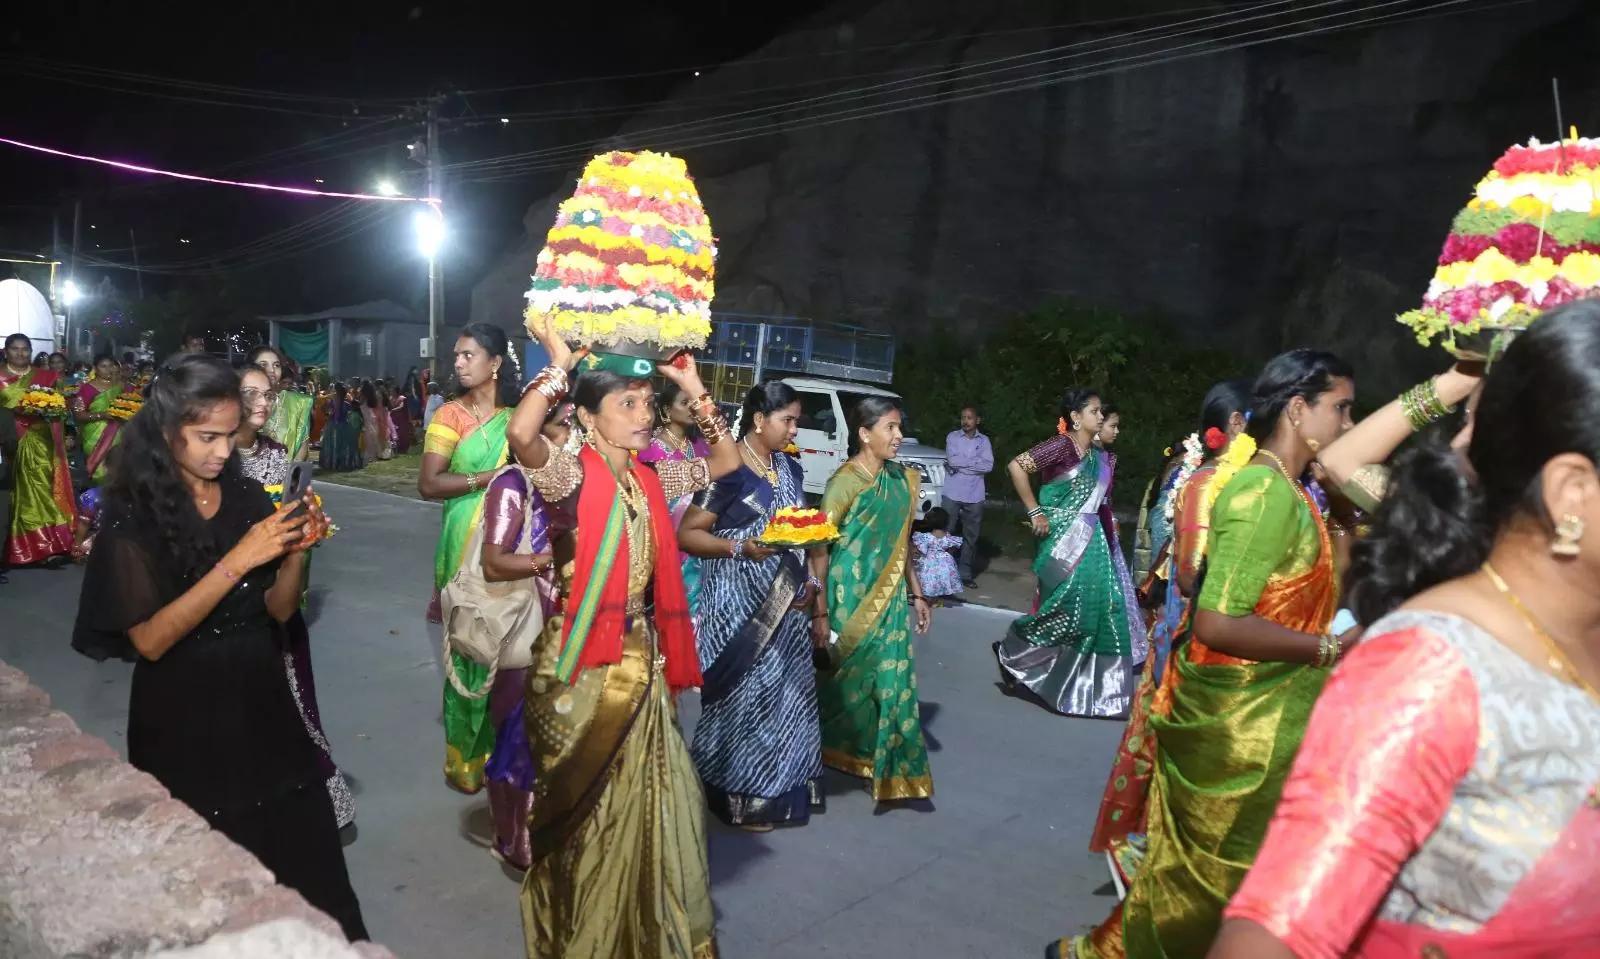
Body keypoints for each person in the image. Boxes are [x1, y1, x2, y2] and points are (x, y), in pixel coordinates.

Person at [1213, 303, 1600, 958]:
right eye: (1468, 419)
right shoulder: (1433, 665)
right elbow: (1340, 464)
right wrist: (1453, 380)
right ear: (1572, 492)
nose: (1461, 439)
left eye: (1481, 419)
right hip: (1268, 705)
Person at [1058, 350, 1358, 959]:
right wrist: (1327, 649)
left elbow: (1322, 594)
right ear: (1299, 411)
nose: (1350, 424)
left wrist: (1346, 518)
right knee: (1209, 890)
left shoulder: (1296, 492)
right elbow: (1218, 621)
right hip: (1241, 731)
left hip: (1273, 719)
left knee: (1218, 889)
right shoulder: (1261, 493)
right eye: (1342, 409)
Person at [68, 354, 366, 941]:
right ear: (165, 430)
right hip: (184, 712)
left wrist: (298, 545)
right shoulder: (133, 518)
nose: (223, 451)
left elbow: (279, 609)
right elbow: (150, 641)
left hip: (262, 699)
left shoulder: (248, 498)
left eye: (231, 436)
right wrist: (241, 559)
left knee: (305, 862)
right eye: (206, 436)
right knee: (208, 879)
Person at [504, 317, 740, 959]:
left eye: (646, 404)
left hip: (642, 661)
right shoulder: (569, 477)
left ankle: (645, 927)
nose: (644, 416)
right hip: (582, 666)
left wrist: (694, 388)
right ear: (586, 416)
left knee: (660, 804)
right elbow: (520, 432)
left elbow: (725, 462)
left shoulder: (649, 479)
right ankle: (585, 935)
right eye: (627, 404)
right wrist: (557, 365)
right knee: (591, 815)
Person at [1085, 380, 1251, 907]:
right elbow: (1187, 571)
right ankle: (1149, 852)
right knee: (1182, 747)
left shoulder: (1252, 481)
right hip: (1192, 635)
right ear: (1238, 427)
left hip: (1214, 637)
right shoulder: (1202, 481)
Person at [679, 380, 823, 831]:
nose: (794, 430)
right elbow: (689, 534)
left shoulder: (790, 468)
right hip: (738, 607)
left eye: (796, 420)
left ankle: (780, 789)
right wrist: (740, 549)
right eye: (788, 420)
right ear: (760, 420)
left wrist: (814, 584)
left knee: (788, 700)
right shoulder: (729, 470)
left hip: (788, 604)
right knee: (747, 699)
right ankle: (737, 795)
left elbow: (808, 530)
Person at [234, 366, 355, 830]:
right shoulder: (216, 462)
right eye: (252, 393)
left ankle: (307, 796)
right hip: (231, 597)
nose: (265, 403)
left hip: (275, 592)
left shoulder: (279, 456)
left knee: (291, 703)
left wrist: (303, 530)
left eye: (270, 394)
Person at [811, 395, 935, 804]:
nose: (899, 437)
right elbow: (820, 548)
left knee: (891, 681)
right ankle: (841, 753)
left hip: (889, 598)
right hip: (848, 601)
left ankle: (891, 766)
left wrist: (918, 594)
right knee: (846, 686)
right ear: (865, 435)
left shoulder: (903, 480)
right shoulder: (844, 482)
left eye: (899, 428)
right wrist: (821, 611)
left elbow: (904, 543)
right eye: (890, 429)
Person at [995, 387, 1145, 719]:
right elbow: (1017, 466)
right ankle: (1016, 649)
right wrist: (1035, 511)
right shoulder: (1061, 445)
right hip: (1062, 535)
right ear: (1076, 417)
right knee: (1068, 604)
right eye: (1094, 411)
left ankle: (1091, 686)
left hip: (1093, 540)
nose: (1101, 417)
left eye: (1101, 412)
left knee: (1102, 606)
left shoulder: (1097, 456)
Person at [417, 324, 521, 792]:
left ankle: (503, 752)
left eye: (468, 355)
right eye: (456, 356)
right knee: (467, 647)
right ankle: (465, 760)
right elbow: (429, 484)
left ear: (494, 363)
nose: (457, 363)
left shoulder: (517, 419)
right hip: (461, 543)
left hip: (507, 542)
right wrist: (492, 477)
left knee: (508, 648)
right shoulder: (449, 416)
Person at [473, 407, 565, 871]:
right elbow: (494, 562)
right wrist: (551, 559)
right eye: (564, 424)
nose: (573, 436)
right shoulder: (513, 484)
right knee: (518, 735)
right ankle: (515, 838)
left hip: (563, 624)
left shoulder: (570, 482)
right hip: (522, 625)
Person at [1, 333, 76, 567]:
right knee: (13, 494)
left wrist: (68, 433)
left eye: (25, 349)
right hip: (9, 442)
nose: (20, 353)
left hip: (42, 440)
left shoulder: (46, 376)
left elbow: (60, 407)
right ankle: (17, 546)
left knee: (43, 487)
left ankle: (47, 546)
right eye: (15, 349)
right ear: (6, 351)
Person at [640, 379, 713, 617]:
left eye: (694, 403)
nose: (693, 407)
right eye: (685, 403)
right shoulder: (650, 451)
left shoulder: (701, 447)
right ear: (666, 410)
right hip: (663, 545)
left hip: (697, 543)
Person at [942, 406, 992, 588]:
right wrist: (975, 463)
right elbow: (952, 461)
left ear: (977, 420)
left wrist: (963, 465)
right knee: (946, 532)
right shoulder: (952, 437)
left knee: (971, 536)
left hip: (975, 493)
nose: (965, 421)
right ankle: (943, 572)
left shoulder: (985, 441)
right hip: (953, 492)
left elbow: (988, 466)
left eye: (970, 418)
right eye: (963, 417)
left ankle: (965, 574)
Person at [247, 346, 312, 462]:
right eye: (263, 364)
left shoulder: (298, 403)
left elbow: (302, 445)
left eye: (276, 365)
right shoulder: (239, 402)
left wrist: (288, 476)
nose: (272, 370)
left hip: (285, 476)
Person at [73, 352, 126, 482]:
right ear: (95, 368)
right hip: (95, 437)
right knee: (100, 472)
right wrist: (103, 415)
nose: (108, 370)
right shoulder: (86, 389)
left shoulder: (122, 386)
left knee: (118, 472)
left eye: (110, 366)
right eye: (103, 366)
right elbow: (79, 414)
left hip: (119, 434)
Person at [911, 507, 963, 603]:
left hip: (929, 562)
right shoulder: (948, 537)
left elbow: (919, 551)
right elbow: (951, 550)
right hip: (945, 563)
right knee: (939, 580)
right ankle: (936, 599)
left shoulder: (927, 537)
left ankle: (925, 598)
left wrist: (915, 559)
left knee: (927, 579)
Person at [318, 384, 364, 471]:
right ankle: (341, 462)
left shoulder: (333, 402)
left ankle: (333, 462)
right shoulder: (346, 404)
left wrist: (328, 413)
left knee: (334, 445)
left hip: (334, 427)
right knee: (343, 445)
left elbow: (325, 409)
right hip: (343, 427)